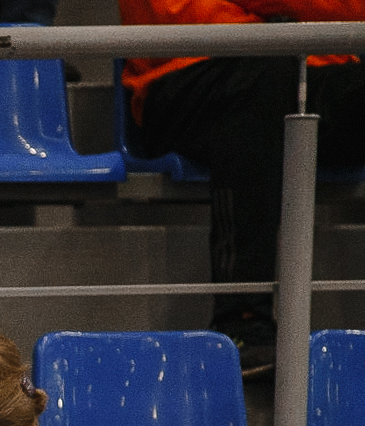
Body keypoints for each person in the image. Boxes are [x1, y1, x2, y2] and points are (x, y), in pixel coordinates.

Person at [123, 0, 365, 376]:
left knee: (272, 68)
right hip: (187, 68)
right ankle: (242, 320)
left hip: (308, 60)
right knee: (262, 73)